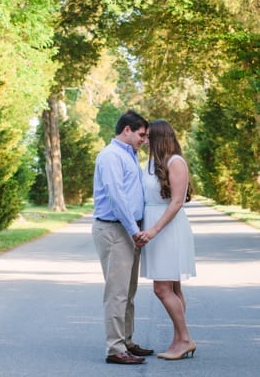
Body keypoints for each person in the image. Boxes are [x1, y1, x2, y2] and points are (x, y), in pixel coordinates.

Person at [92, 110, 154, 365]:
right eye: (141, 134)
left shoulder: (131, 156)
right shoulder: (110, 156)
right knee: (116, 293)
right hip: (115, 230)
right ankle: (115, 349)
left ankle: (127, 341)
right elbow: (117, 197)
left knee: (128, 292)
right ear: (126, 130)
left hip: (128, 230)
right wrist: (133, 230)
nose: (144, 139)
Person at [135, 119, 197, 360]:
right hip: (154, 225)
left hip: (167, 230)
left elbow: (177, 202)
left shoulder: (175, 162)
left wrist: (154, 230)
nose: (145, 140)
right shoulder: (152, 163)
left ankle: (185, 339)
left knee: (162, 289)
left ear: (161, 137)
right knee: (173, 287)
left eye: (149, 136)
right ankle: (178, 339)